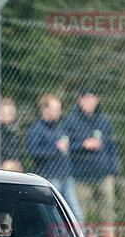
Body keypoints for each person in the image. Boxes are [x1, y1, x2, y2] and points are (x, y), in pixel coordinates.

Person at [63, 88, 119, 224]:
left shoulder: (104, 121)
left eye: (92, 98)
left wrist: (113, 172)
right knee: (79, 216)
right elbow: (64, 146)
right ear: (80, 101)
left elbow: (112, 147)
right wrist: (83, 145)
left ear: (97, 100)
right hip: (80, 177)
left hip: (103, 176)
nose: (89, 102)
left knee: (108, 217)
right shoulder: (70, 120)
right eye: (85, 98)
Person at [26, 94, 83, 222]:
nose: (59, 112)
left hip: (66, 176)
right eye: (55, 109)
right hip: (51, 177)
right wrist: (55, 148)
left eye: (59, 109)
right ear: (45, 109)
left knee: (75, 211)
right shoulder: (37, 129)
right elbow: (33, 151)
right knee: (53, 213)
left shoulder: (60, 127)